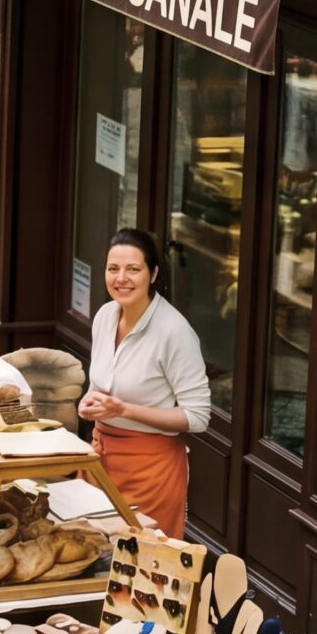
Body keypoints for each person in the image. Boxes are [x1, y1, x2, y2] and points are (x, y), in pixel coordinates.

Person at [79, 226, 211, 539]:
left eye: (133, 269)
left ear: (153, 274)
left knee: (140, 574)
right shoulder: (105, 316)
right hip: (99, 460)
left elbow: (198, 417)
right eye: (113, 269)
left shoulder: (175, 332)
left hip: (151, 473)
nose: (121, 278)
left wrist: (124, 409)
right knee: (91, 558)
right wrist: (90, 401)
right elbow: (100, 385)